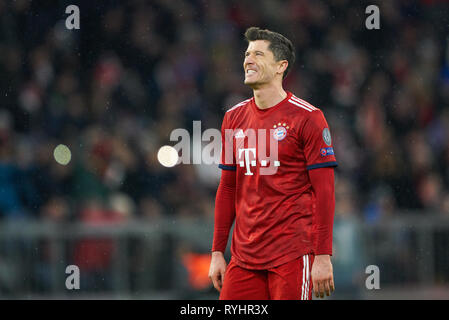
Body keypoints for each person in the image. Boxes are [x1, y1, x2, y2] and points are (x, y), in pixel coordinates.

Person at [208, 27, 338, 300]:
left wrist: (323, 256)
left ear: (281, 66)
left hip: (291, 255)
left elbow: (324, 192)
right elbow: (228, 188)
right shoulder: (233, 118)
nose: (248, 60)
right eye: (246, 54)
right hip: (243, 258)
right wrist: (218, 252)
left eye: (258, 53)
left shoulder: (308, 118)